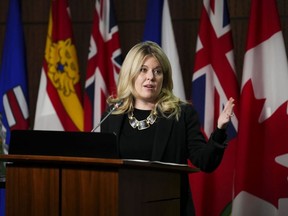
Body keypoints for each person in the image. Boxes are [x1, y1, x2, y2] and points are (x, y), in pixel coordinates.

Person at [100, 41, 235, 216]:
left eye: (157, 71)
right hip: (120, 207)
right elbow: (103, 166)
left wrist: (219, 130)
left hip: (167, 208)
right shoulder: (113, 115)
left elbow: (204, 161)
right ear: (130, 73)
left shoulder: (181, 114)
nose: (151, 77)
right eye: (143, 69)